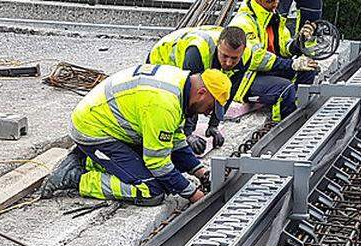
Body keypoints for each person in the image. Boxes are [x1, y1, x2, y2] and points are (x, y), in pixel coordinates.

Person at [42, 64, 231, 206]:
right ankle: (77, 177)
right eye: (210, 107)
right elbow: (157, 163)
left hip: (110, 124)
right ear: (201, 93)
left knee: (168, 173)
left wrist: (200, 171)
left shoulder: (180, 83)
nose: (207, 113)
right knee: (152, 191)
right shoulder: (163, 104)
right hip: (94, 132)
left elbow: (174, 138)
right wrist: (193, 194)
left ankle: (87, 158)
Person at [147, 25, 305, 152]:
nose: (228, 63)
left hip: (188, 54)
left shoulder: (247, 56)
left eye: (234, 58)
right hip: (162, 59)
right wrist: (187, 134)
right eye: (224, 56)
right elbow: (191, 97)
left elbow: (227, 93)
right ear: (218, 47)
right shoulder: (197, 53)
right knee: (165, 106)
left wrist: (214, 125)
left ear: (242, 52)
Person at [228, 0, 320, 121]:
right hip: (246, 78)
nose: (276, 3)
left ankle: (297, 108)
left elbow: (284, 47)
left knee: (308, 70)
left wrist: (300, 41)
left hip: (266, 71)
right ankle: (282, 122)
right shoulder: (243, 22)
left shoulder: (272, 16)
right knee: (285, 88)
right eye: (270, 0)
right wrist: (291, 64)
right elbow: (256, 59)